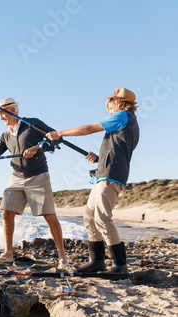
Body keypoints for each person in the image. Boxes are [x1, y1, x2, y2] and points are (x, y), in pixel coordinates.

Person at [0, 97, 69, 268]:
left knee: (49, 216)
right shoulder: (5, 135)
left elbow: (57, 138)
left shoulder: (32, 124)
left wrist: (37, 148)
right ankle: (8, 253)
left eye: (3, 113)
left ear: (13, 111)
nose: (1, 118)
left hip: (38, 175)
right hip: (16, 176)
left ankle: (63, 258)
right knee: (6, 212)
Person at [46, 87, 139, 274]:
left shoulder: (123, 115)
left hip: (111, 176)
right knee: (89, 218)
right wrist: (100, 158)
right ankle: (97, 261)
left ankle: (120, 265)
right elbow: (119, 150)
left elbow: (89, 128)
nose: (109, 111)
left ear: (120, 103)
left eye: (110, 106)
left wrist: (60, 133)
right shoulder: (126, 121)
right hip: (104, 173)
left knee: (103, 218)